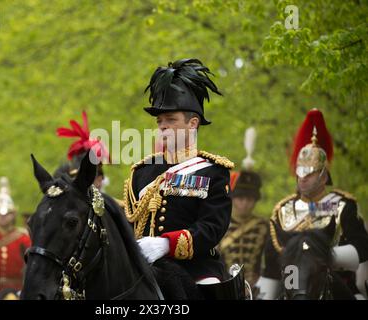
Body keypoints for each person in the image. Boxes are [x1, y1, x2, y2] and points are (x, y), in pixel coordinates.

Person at [123, 58, 235, 298]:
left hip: (195, 269)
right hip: (143, 268)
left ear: (192, 123)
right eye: (160, 121)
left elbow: (212, 228)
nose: (162, 127)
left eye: (171, 120)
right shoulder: (142, 172)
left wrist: (165, 245)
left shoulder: (212, 172)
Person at [255, 109, 368, 300]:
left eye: (310, 174)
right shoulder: (282, 211)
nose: (302, 179)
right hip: (291, 285)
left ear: (324, 176)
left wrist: (323, 256)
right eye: (300, 173)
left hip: (336, 281)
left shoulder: (343, 205)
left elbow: (362, 247)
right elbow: (272, 265)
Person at [218, 127, 268, 287]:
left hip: (259, 287)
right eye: (240, 198)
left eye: (249, 199)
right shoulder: (219, 225)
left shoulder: (265, 227)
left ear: (255, 200)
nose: (244, 203)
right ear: (232, 199)